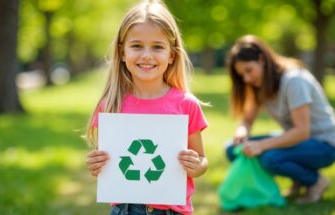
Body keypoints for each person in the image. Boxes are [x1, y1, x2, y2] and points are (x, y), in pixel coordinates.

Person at [85, 1, 208, 214]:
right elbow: (106, 162)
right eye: (137, 46)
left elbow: (202, 159)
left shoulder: (186, 104)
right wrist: (96, 165)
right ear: (122, 52)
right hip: (125, 209)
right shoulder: (110, 105)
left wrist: (197, 166)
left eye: (158, 47)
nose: (147, 55)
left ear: (172, 55)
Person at [225, 35, 335, 204]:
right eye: (241, 75)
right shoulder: (259, 84)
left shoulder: (293, 80)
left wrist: (261, 145)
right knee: (233, 149)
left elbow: (302, 132)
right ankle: (298, 180)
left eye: (248, 70)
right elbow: (247, 120)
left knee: (270, 158)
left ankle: (316, 181)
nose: (246, 79)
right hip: (298, 141)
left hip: (324, 144)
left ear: (261, 59)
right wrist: (242, 132)